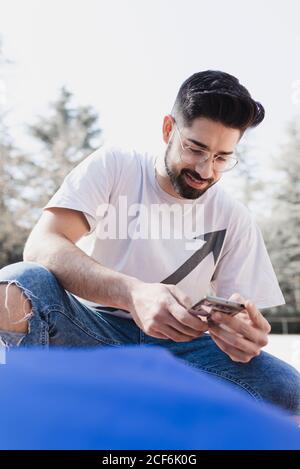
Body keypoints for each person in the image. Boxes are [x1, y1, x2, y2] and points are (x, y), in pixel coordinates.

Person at [0, 70, 299, 415]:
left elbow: (238, 318)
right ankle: (31, 418)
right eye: (195, 148)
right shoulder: (115, 166)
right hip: (89, 330)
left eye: (221, 158)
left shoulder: (234, 217)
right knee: (18, 283)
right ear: (168, 130)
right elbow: (42, 244)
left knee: (287, 390)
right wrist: (132, 293)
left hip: (182, 350)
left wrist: (244, 337)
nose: (205, 170)